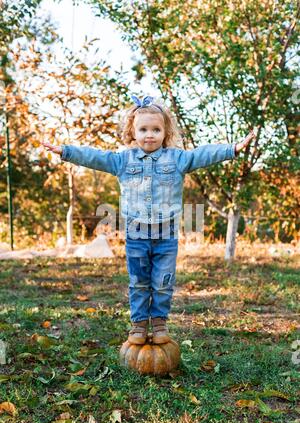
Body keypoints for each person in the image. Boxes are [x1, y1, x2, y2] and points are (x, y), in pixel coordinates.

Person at [42, 95, 255, 346]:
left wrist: (232, 149)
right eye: (143, 129)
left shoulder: (176, 159)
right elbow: (94, 156)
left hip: (166, 236)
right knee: (139, 282)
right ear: (133, 131)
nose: (150, 135)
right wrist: (65, 151)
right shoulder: (123, 161)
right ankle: (139, 324)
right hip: (136, 236)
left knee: (164, 282)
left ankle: (160, 322)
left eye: (156, 129)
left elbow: (203, 154)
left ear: (165, 133)